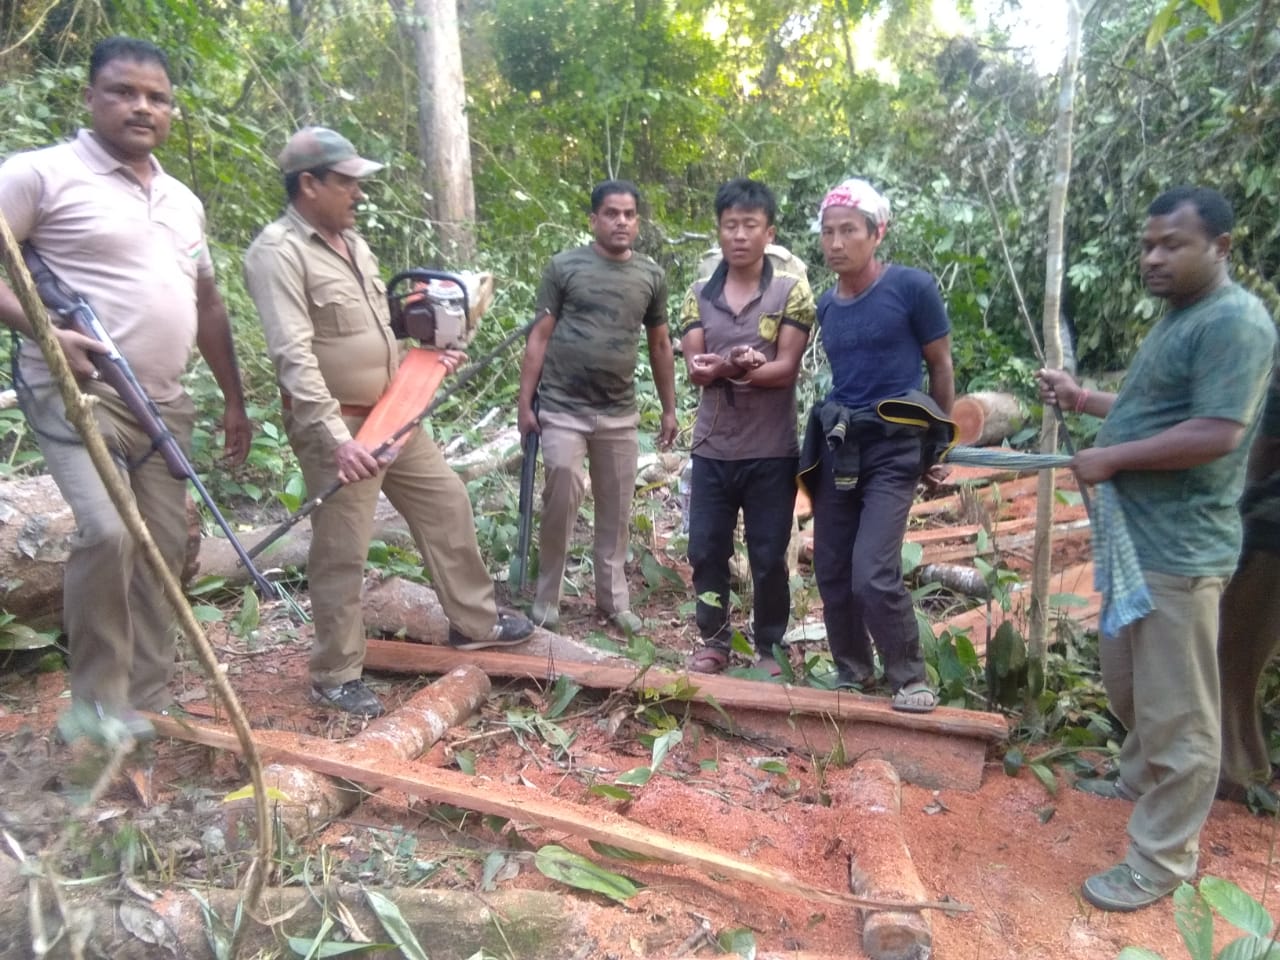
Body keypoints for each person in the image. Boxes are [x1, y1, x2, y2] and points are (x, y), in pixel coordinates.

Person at [1037, 186, 1276, 911]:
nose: (1154, 257)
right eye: (1148, 244)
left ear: (1221, 247)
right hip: (1136, 540)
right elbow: (1157, 408)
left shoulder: (1235, 323)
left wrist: (1111, 460)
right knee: (1129, 685)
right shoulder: (1183, 319)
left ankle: (1161, 860)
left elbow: (1219, 433)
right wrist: (1083, 401)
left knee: (1179, 713)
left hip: (1181, 548)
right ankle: (1138, 778)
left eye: (1172, 243)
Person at [0, 37, 250, 725]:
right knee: (108, 532)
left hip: (165, 403)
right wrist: (45, 332)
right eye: (123, 91)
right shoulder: (39, 176)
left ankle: (147, 704)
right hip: (78, 392)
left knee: (164, 549)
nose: (142, 106)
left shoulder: (182, 201)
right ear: (89, 96)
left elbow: (206, 304)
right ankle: (97, 714)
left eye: (157, 97)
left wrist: (234, 398)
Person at [244, 126, 533, 719]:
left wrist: (427, 334)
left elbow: (378, 328)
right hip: (342, 428)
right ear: (309, 184)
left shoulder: (355, 245)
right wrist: (335, 440)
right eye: (346, 181)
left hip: (395, 411)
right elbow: (292, 355)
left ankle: (474, 622)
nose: (357, 193)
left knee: (446, 499)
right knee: (343, 548)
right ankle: (335, 671)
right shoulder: (278, 252)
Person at [800, 178, 954, 713]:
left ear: (877, 232)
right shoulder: (827, 305)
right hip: (842, 445)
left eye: (848, 231)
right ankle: (852, 669)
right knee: (831, 566)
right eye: (827, 232)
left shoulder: (911, 288)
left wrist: (940, 443)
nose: (836, 243)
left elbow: (939, 365)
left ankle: (909, 677)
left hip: (895, 446)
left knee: (873, 568)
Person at [517, 180, 676, 635]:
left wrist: (669, 409)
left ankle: (612, 599)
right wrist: (525, 403)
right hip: (563, 406)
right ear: (594, 220)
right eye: (611, 213)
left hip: (619, 412)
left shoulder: (650, 275)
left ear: (638, 222)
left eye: (628, 214)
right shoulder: (565, 267)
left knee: (617, 507)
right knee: (562, 488)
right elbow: (539, 336)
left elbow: (660, 343)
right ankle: (548, 596)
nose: (620, 221)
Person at [681, 178, 815, 675]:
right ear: (718, 231)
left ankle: (768, 647)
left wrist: (729, 368)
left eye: (750, 225)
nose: (739, 235)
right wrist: (732, 366)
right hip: (712, 446)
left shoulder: (790, 292)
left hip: (771, 449)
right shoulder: (698, 295)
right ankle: (714, 641)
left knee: (767, 552)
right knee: (706, 548)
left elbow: (784, 372)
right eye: (730, 225)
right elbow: (696, 368)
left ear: (769, 232)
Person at [1217, 369, 1280, 801]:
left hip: (1271, 532)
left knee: (1230, 654)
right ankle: (1251, 766)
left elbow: (1266, 445)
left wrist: (1241, 501)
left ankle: (1238, 774)